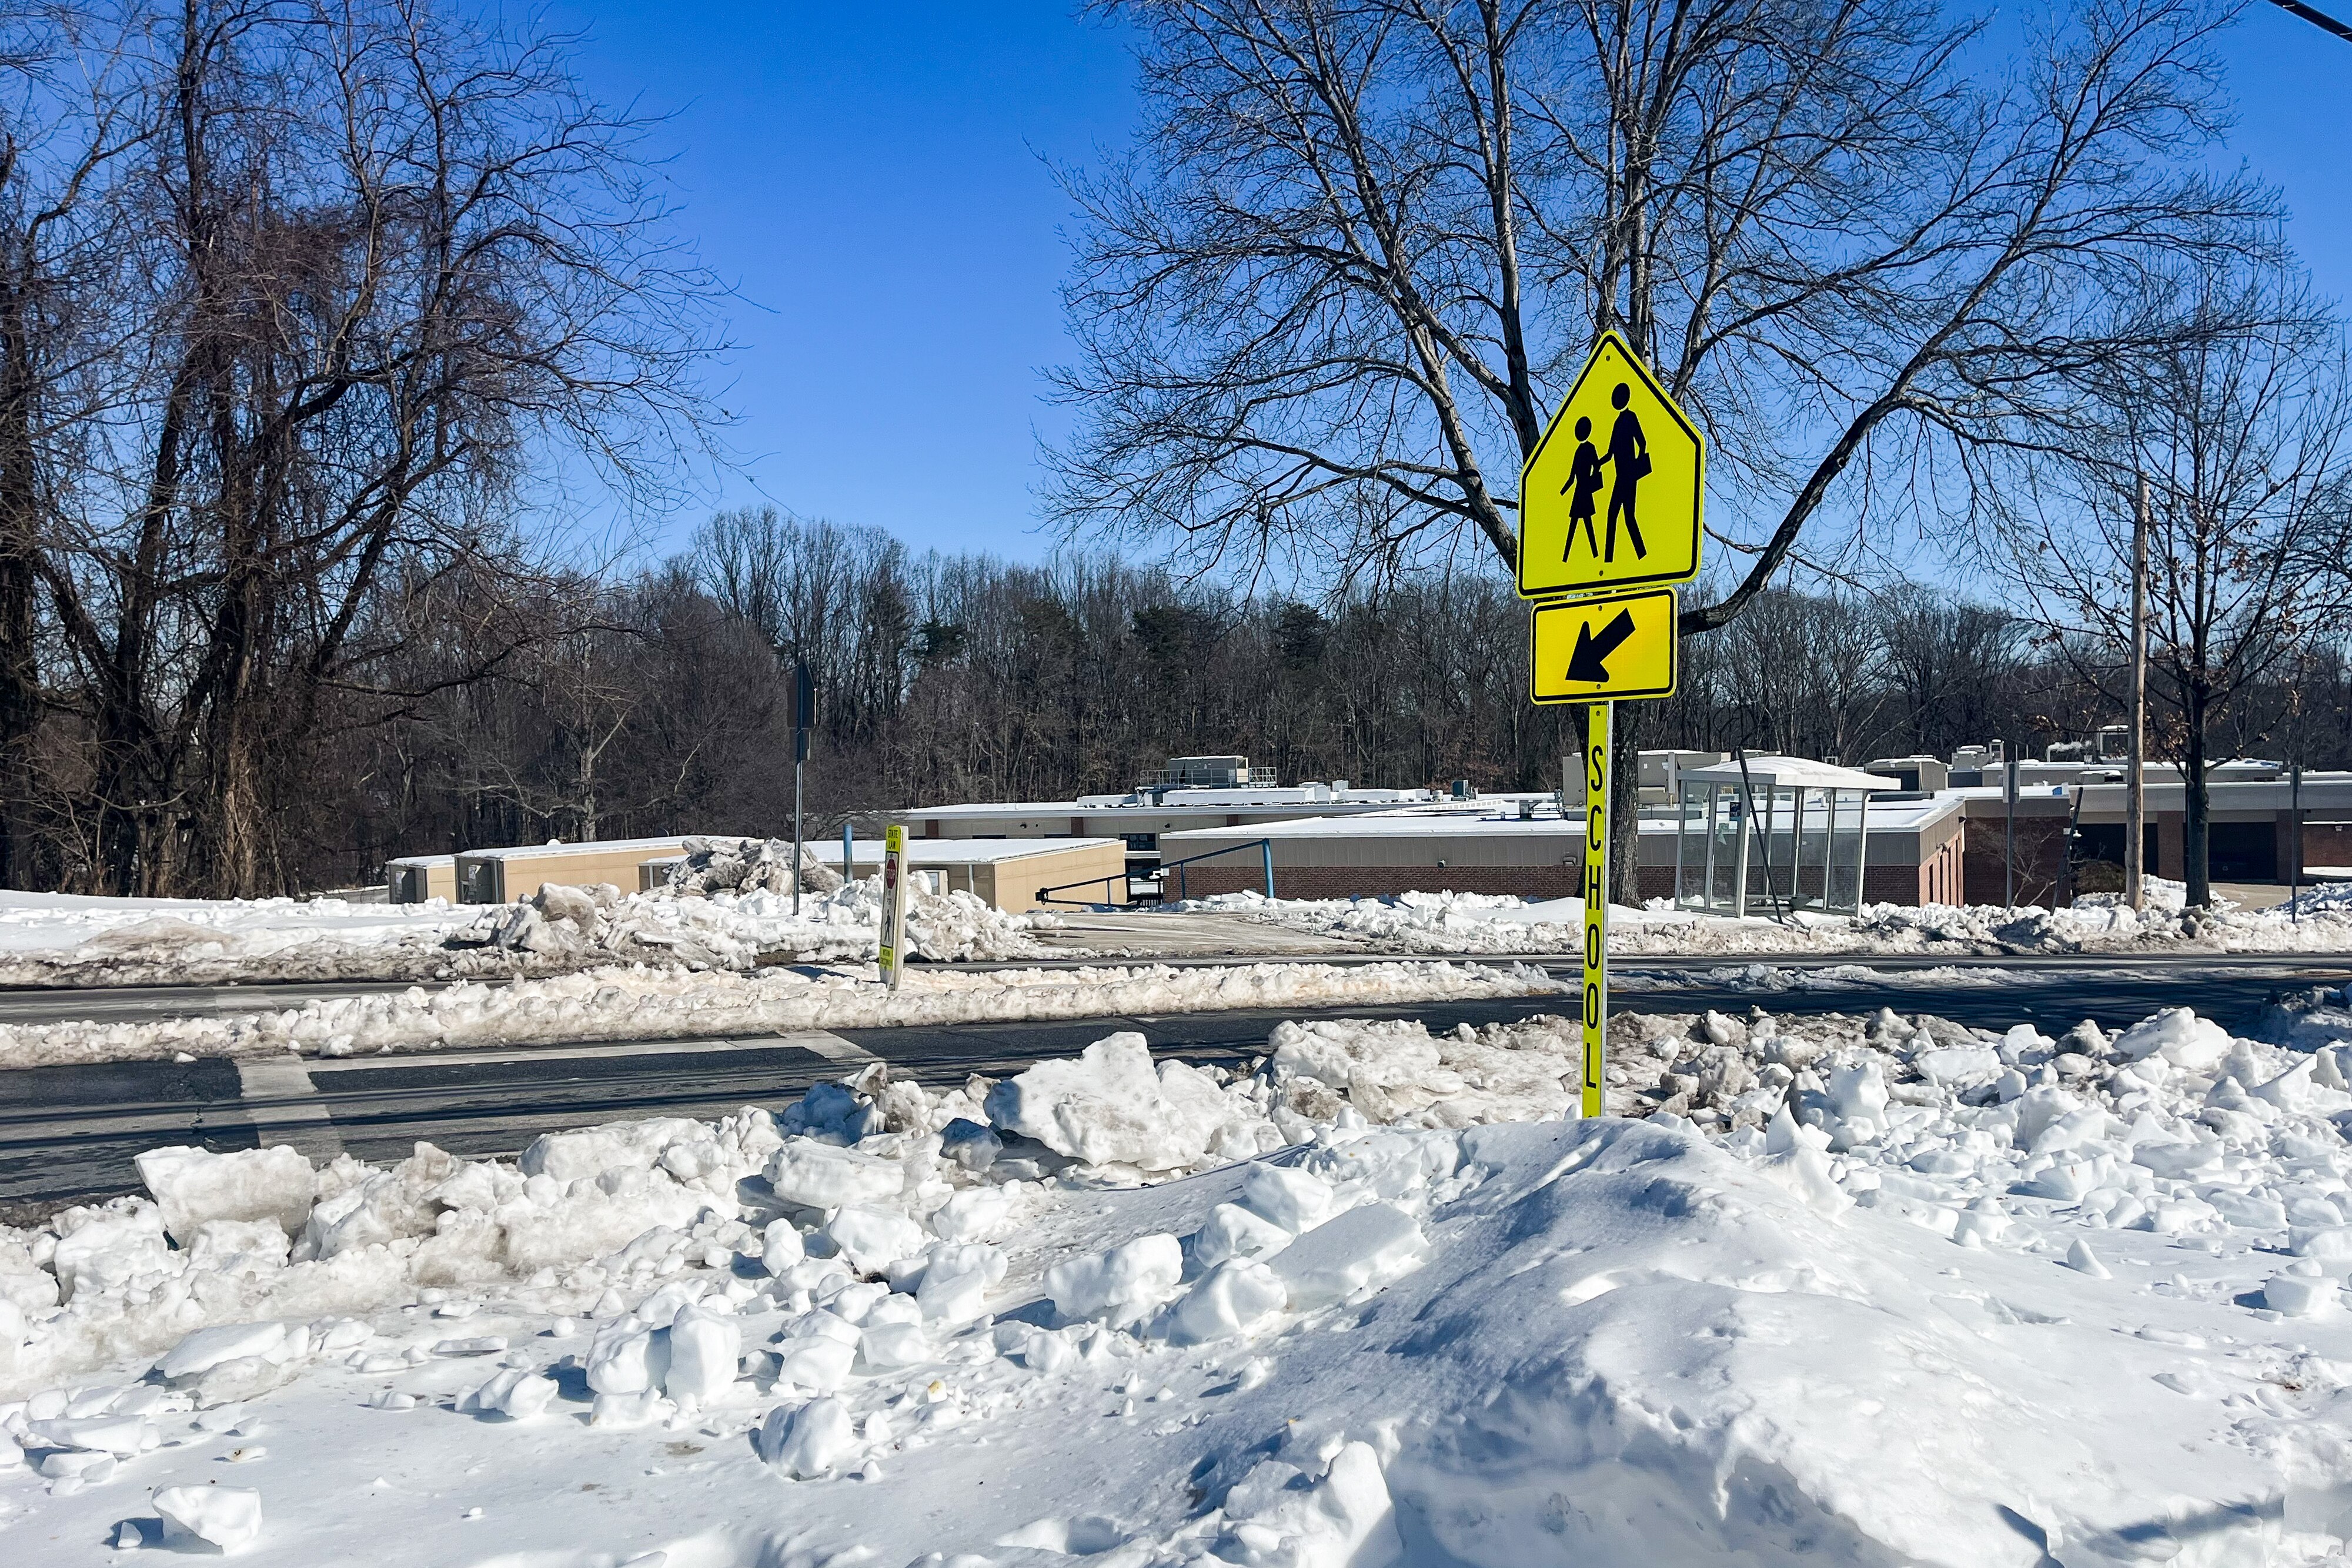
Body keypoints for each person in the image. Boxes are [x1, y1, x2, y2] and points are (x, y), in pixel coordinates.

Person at [1603, 381, 1649, 562]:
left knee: (1623, 515)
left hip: (1628, 476)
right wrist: (1597, 463)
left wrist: (1636, 467)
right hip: (1619, 476)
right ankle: (1613, 558)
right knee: (1619, 514)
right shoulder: (1617, 422)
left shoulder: (1631, 417)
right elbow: (1610, 452)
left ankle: (1640, 556)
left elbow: (1643, 442)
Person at [1561, 416, 1603, 560]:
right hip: (1580, 491)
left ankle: (1595, 555)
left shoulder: (1588, 448)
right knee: (1577, 525)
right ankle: (1567, 557)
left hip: (1583, 491)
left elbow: (1596, 466)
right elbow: (1572, 477)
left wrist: (1592, 480)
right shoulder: (1579, 450)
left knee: (1587, 524)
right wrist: (1560, 494)